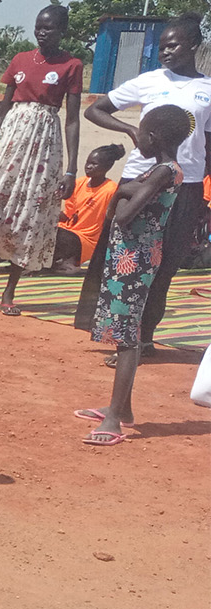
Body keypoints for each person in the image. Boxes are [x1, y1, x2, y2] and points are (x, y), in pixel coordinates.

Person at [83, 12, 211, 356]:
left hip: (186, 185)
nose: (165, 52)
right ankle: (120, 336)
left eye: (174, 45)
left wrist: (204, 196)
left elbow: (209, 145)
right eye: (162, 46)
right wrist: (130, 130)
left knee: (165, 266)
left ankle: (145, 338)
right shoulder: (148, 81)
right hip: (140, 178)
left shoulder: (208, 90)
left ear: (194, 45)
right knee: (128, 260)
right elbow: (95, 110)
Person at [0, 5, 86, 314]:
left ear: (62, 31)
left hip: (44, 146)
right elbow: (1, 113)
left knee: (30, 214)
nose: (42, 32)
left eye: (49, 28)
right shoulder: (20, 60)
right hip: (11, 142)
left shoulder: (72, 65)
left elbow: (72, 120)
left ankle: (9, 291)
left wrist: (71, 169)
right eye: (39, 26)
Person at [76, 105, 191, 447]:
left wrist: (120, 194)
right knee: (127, 331)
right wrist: (122, 195)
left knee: (128, 337)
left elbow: (124, 215)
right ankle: (121, 409)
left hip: (135, 260)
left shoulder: (162, 172)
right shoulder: (164, 170)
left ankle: (114, 419)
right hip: (133, 256)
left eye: (140, 132)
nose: (136, 137)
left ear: (153, 137)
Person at [51, 145, 124, 272]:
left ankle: (67, 261)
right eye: (87, 162)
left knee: (56, 236)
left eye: (94, 164)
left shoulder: (110, 190)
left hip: (86, 239)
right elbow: (68, 215)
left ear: (107, 167)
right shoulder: (79, 183)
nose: (88, 166)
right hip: (68, 230)